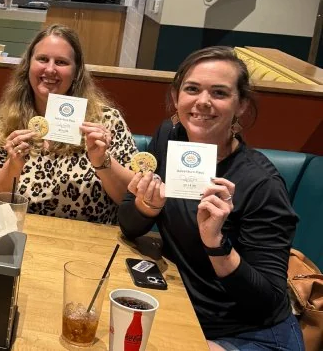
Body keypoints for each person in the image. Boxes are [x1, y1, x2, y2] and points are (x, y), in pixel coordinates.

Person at [118, 47, 303, 350]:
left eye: (219, 93)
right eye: (192, 89)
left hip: (249, 335)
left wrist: (216, 244)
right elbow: (128, 222)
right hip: (183, 311)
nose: (203, 102)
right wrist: (147, 206)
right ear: (177, 96)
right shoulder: (169, 137)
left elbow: (267, 300)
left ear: (241, 105)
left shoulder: (260, 183)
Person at [0, 24, 137, 224]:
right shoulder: (6, 125)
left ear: (76, 72)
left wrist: (102, 161)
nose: (50, 69)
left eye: (61, 62)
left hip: (91, 242)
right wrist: (12, 167)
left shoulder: (106, 121)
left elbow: (130, 201)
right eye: (42, 59)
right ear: (28, 65)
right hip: (25, 235)